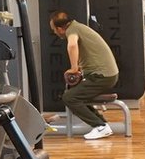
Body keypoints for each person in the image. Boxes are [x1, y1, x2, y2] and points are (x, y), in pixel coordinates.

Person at [50, 9, 121, 140]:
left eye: (54, 29)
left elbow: (72, 45)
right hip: (105, 75)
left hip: (103, 76)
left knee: (69, 97)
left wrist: (74, 68)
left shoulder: (72, 30)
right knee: (75, 94)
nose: (54, 32)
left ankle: (100, 126)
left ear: (60, 28)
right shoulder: (78, 27)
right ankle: (102, 124)